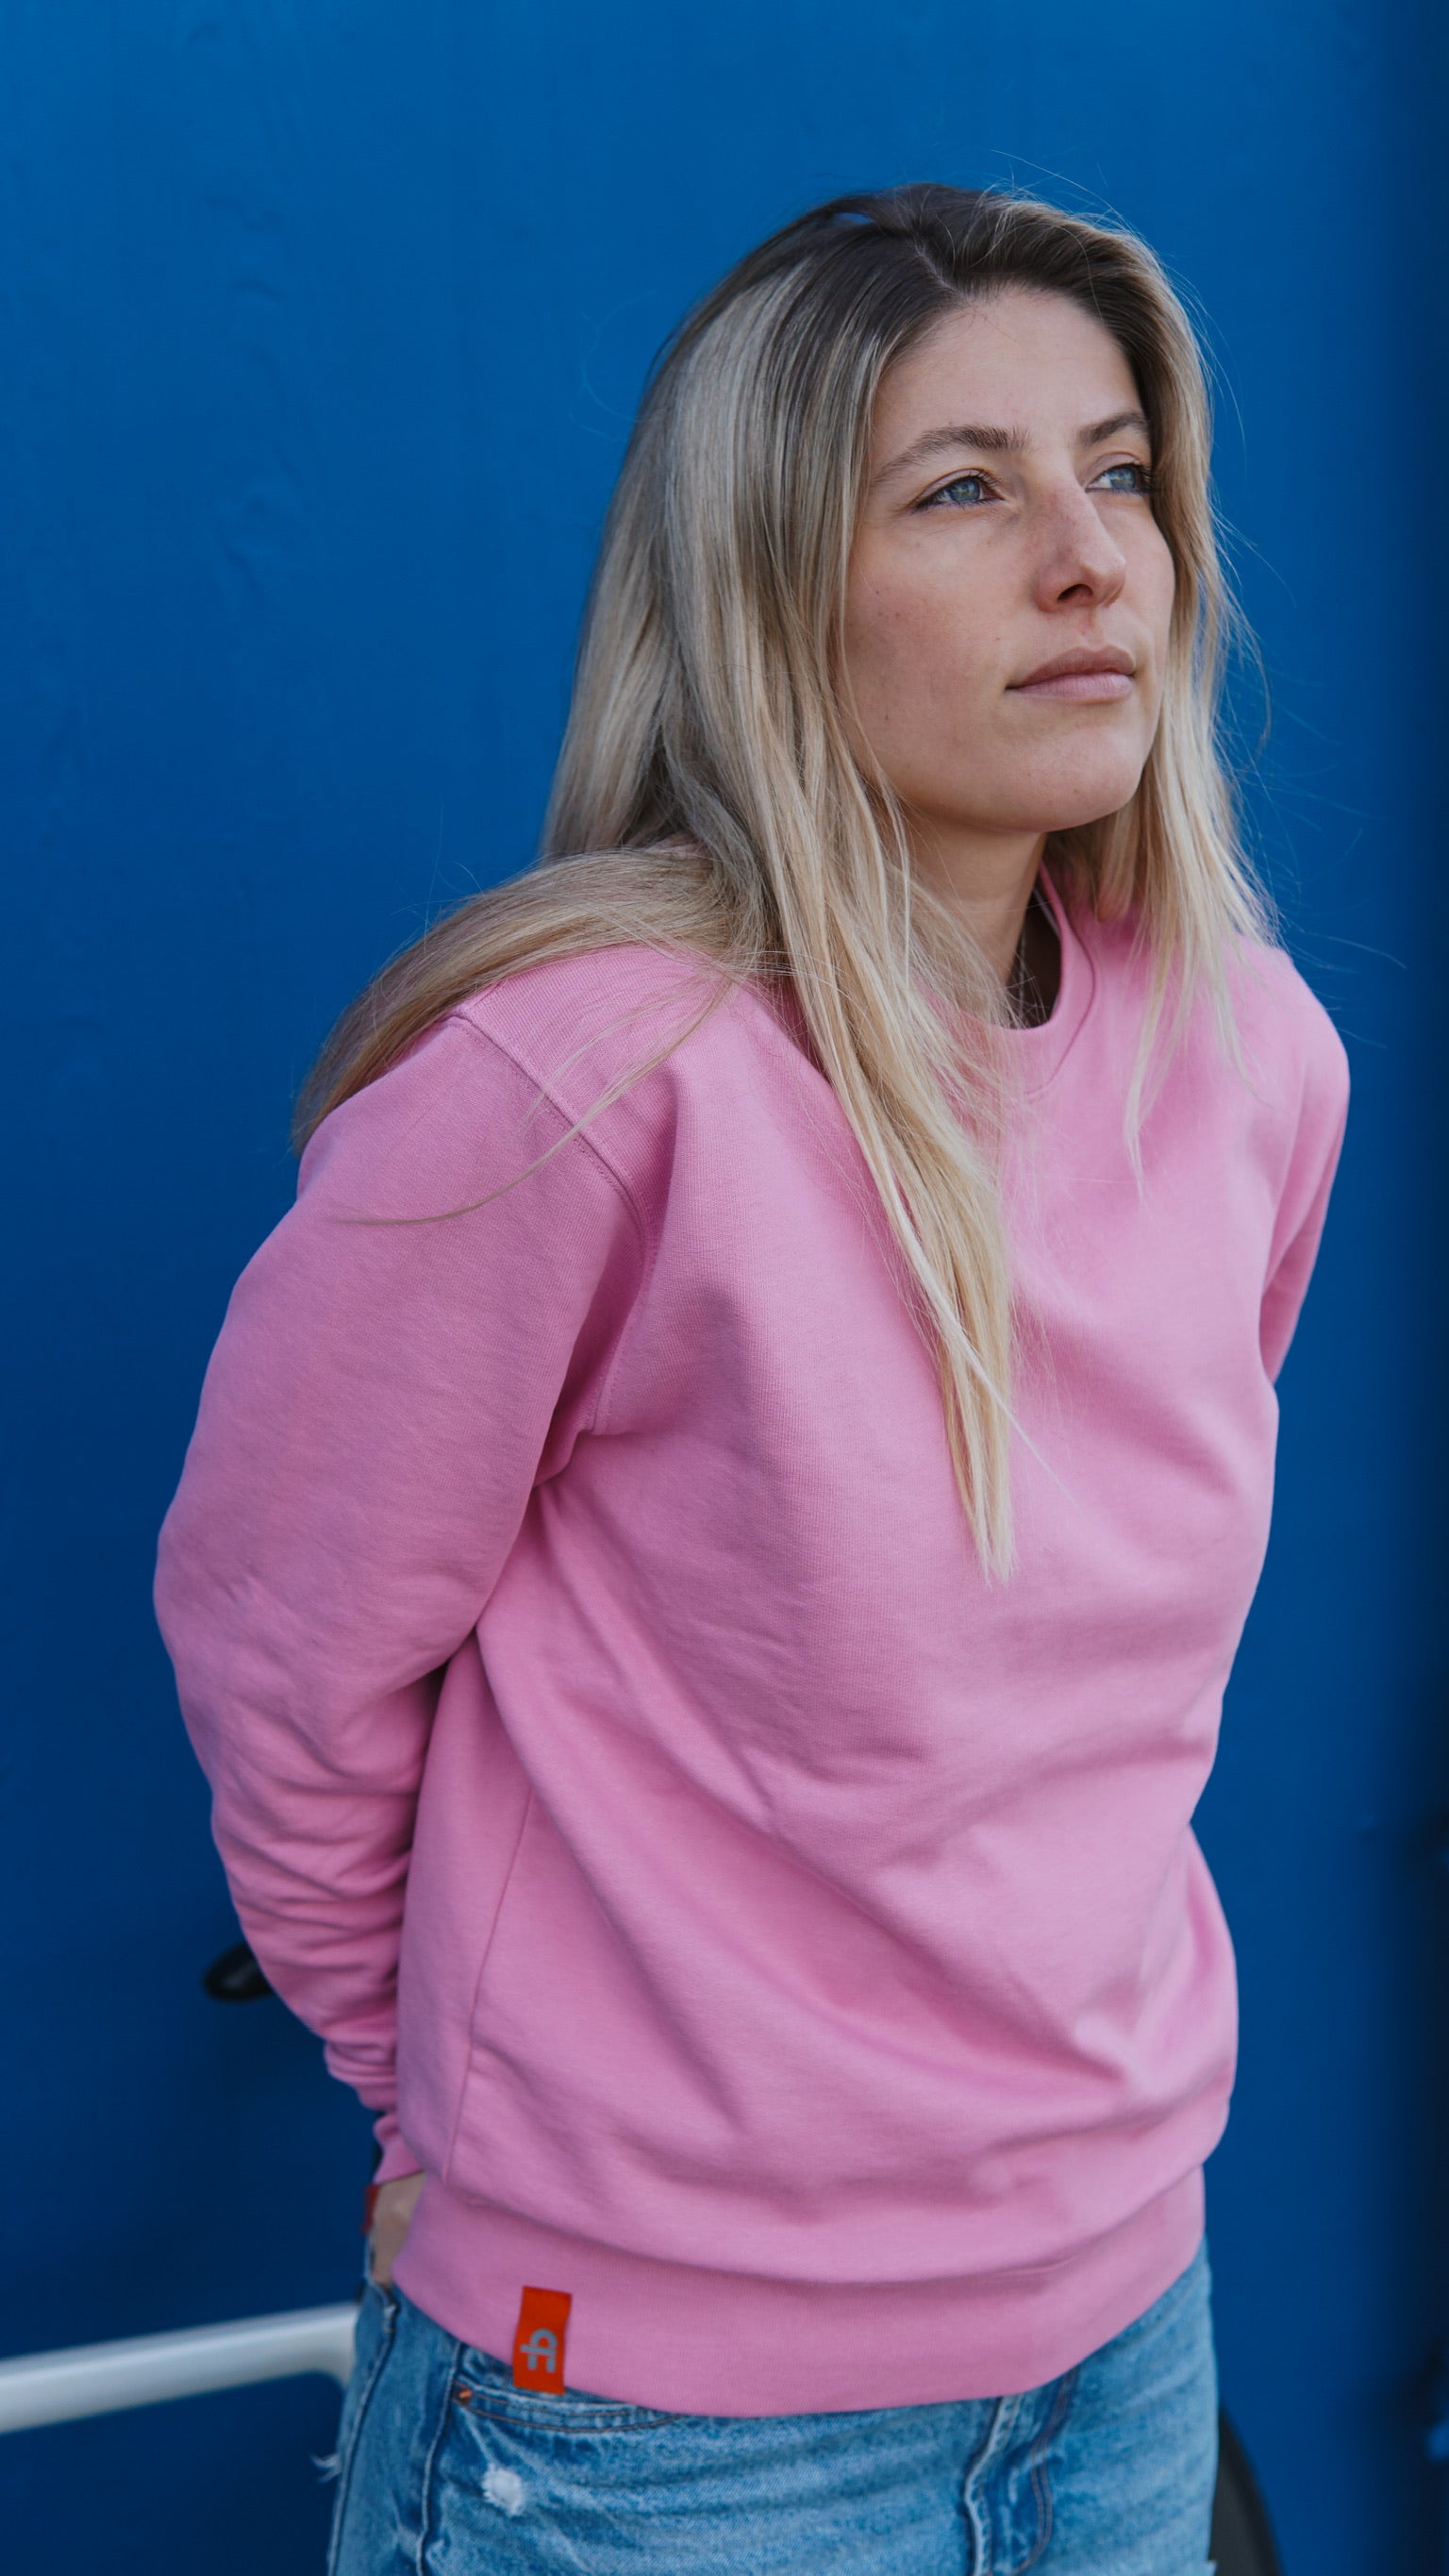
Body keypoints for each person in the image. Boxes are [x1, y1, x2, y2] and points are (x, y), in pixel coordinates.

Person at [155, 184, 1347, 2572]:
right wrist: (448, 2112)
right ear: (770, 589)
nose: (1092, 561)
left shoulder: (1249, 1059)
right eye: (965, 489)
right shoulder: (584, 1082)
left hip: (1128, 2330)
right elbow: (286, 1658)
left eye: (1121, 473)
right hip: (654, 2430)